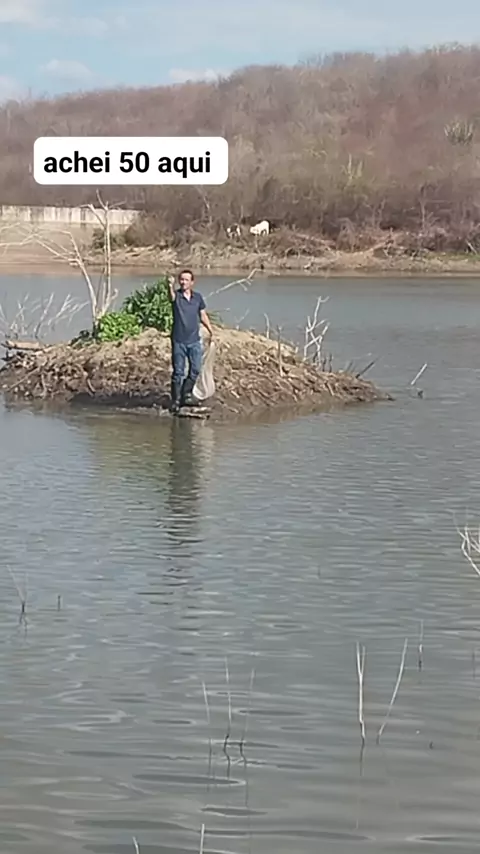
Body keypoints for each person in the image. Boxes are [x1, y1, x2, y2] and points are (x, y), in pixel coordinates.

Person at [168, 269, 213, 413]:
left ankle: (186, 395)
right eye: (181, 279)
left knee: (195, 369)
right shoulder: (177, 296)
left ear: (192, 282)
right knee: (178, 372)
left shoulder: (197, 298)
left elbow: (203, 315)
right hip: (179, 340)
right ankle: (176, 401)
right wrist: (170, 285)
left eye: (186, 280)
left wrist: (211, 330)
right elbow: (171, 297)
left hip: (194, 340)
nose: (183, 282)